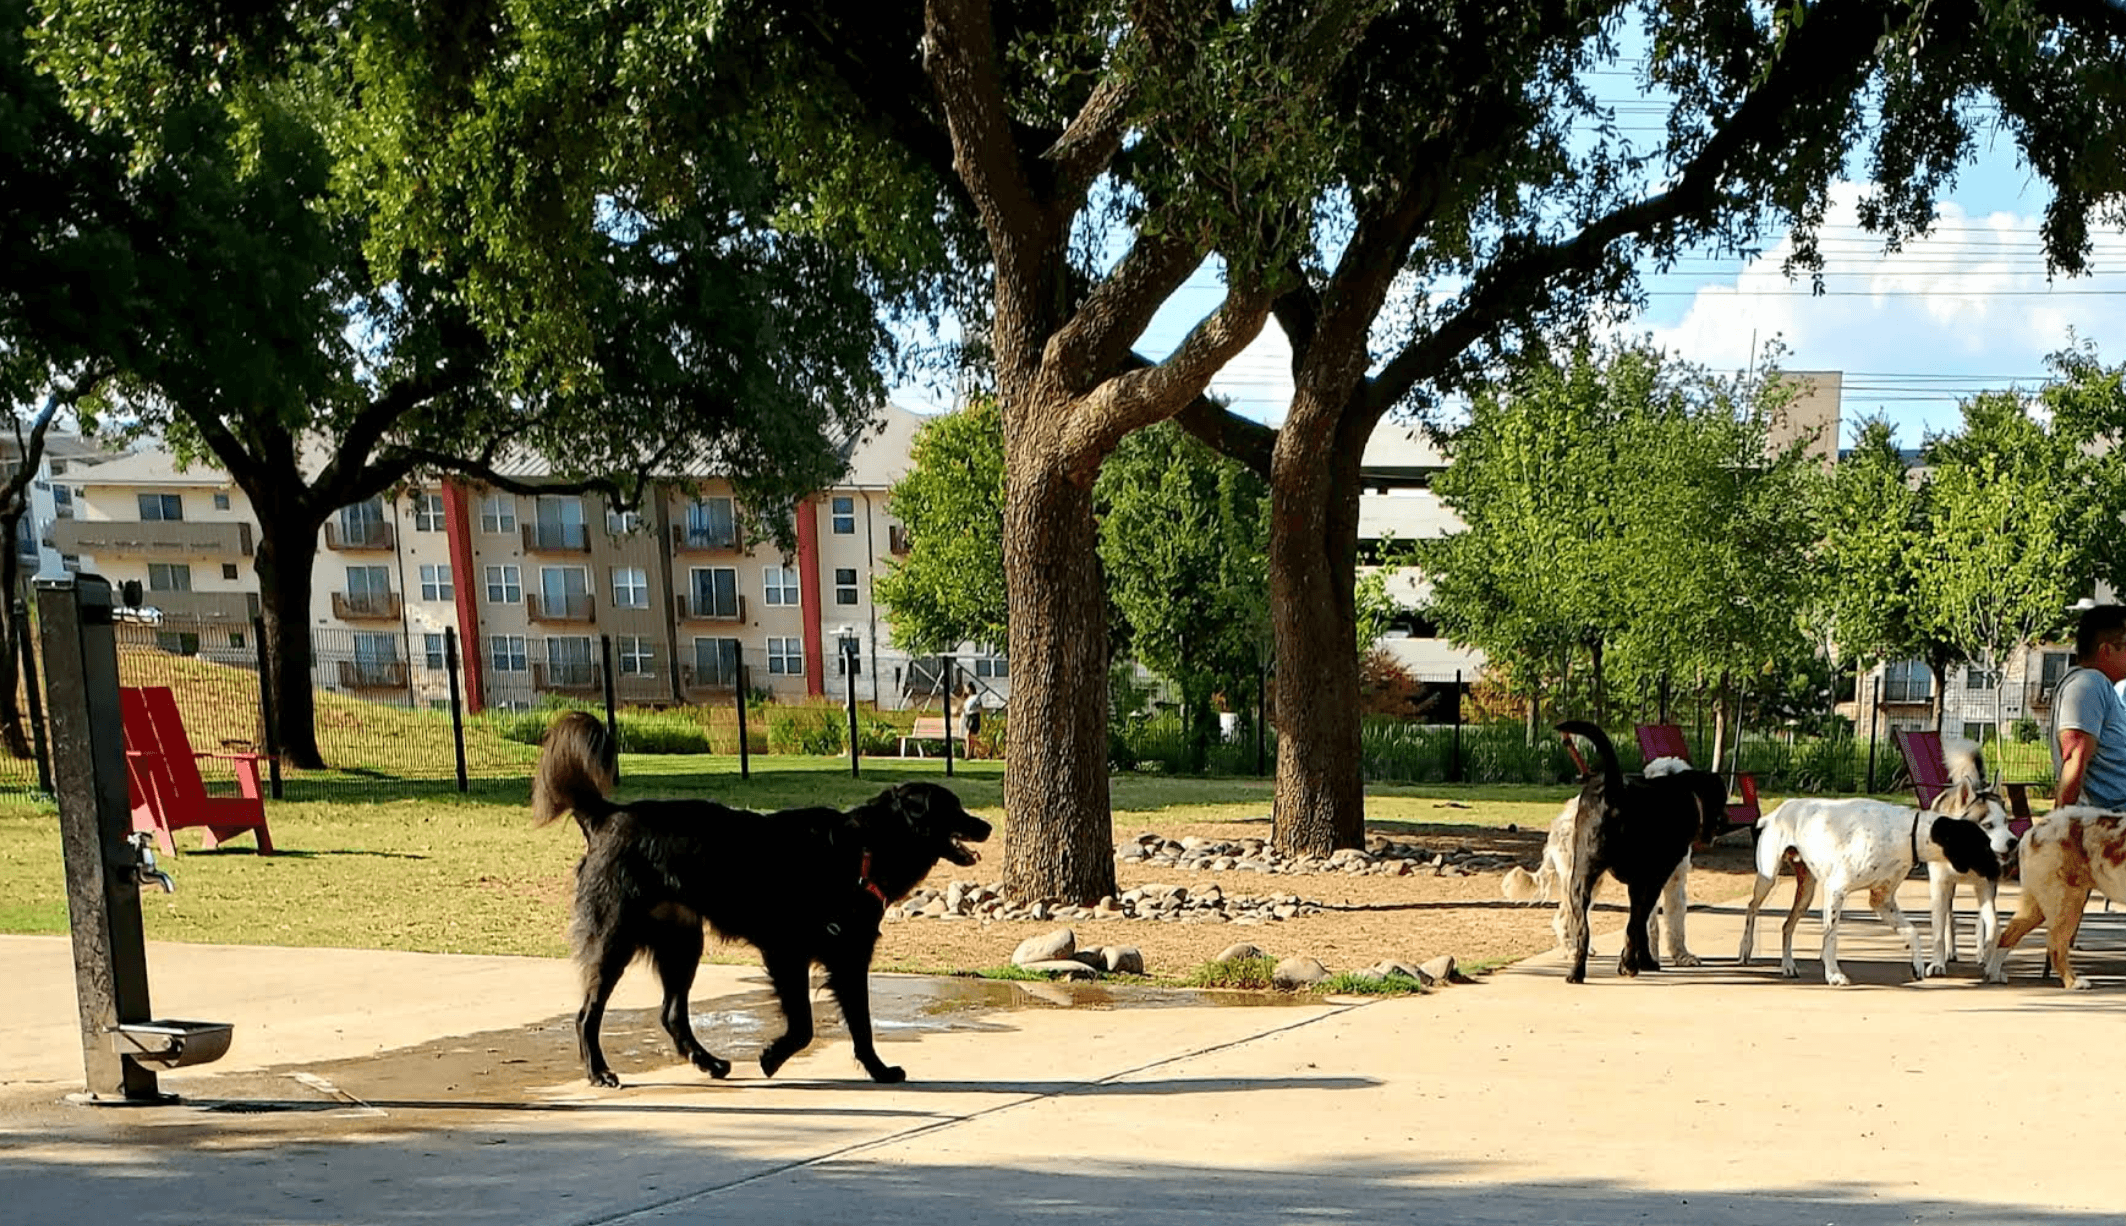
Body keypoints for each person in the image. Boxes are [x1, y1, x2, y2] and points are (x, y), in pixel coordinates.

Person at [2050, 603, 2126, 810]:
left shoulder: (2101, 687)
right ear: (2106, 650)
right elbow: (2075, 756)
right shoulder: (2089, 683)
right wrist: (2060, 828)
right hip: (2109, 828)